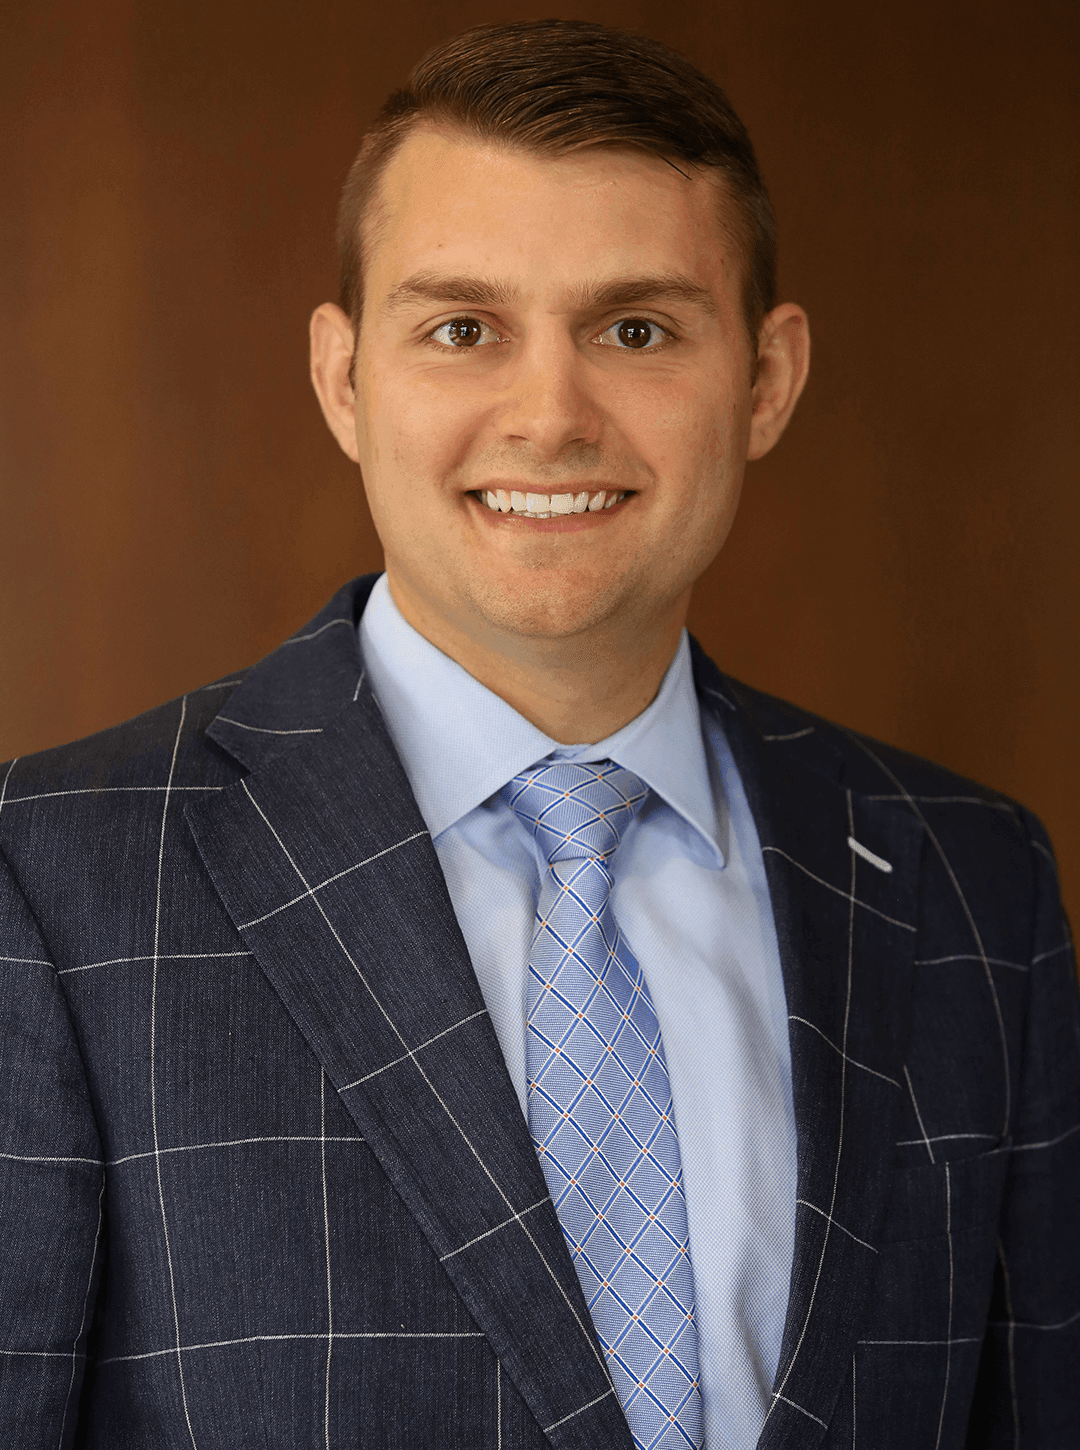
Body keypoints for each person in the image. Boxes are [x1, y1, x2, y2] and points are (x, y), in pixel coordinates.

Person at [0, 18, 1076, 1449]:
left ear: (765, 380)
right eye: (463, 329)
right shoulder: (56, 877)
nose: (551, 414)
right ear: (344, 380)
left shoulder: (974, 885)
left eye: (636, 330)